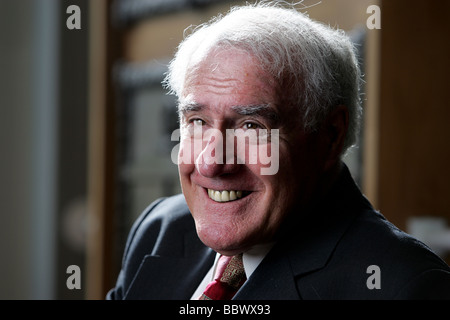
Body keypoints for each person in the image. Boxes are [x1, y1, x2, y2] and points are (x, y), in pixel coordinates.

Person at [107, 2, 450, 300]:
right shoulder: (159, 230)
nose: (211, 162)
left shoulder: (404, 287)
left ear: (330, 135)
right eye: (197, 122)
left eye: (251, 127)